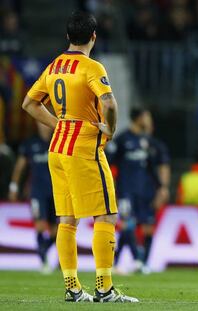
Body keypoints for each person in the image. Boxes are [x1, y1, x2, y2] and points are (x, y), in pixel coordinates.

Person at [21, 11, 138, 302]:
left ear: (68, 36)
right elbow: (108, 102)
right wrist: (109, 127)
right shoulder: (91, 67)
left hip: (57, 149)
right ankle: (104, 288)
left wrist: (58, 124)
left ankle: (73, 288)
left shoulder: (54, 66)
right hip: (83, 147)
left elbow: (29, 103)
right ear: (94, 37)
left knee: (67, 219)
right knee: (107, 215)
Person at [107, 108, 170, 274]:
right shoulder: (122, 140)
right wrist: (111, 185)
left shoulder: (149, 143)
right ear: (139, 118)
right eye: (147, 117)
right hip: (126, 190)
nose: (149, 120)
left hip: (146, 191)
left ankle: (138, 262)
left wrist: (161, 188)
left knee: (148, 227)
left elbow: (156, 168)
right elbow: (108, 163)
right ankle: (137, 261)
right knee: (128, 224)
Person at [9, 122, 57, 274]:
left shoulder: (57, 142)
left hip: (57, 192)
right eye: (41, 123)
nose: (44, 126)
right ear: (37, 124)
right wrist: (14, 186)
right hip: (37, 192)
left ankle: (43, 250)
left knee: (56, 231)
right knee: (40, 226)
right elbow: (20, 166)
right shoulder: (30, 143)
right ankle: (44, 261)